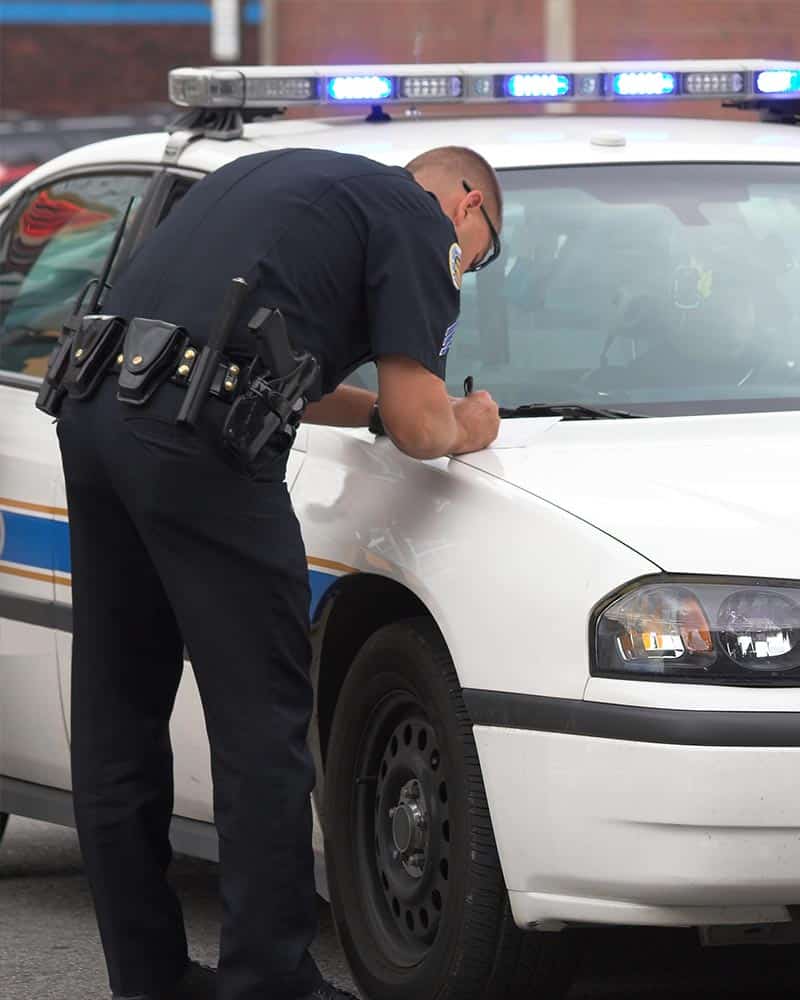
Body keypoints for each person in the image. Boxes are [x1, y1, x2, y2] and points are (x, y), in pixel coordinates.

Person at [55, 145, 502, 1000]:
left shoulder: (283, 177)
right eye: (479, 259)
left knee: (119, 716)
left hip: (99, 409)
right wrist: (471, 423)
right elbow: (420, 424)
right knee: (264, 720)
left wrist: (369, 408)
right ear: (468, 205)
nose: (466, 273)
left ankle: (147, 980)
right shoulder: (419, 220)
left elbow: (264, 357)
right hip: (197, 444)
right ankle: (270, 981)